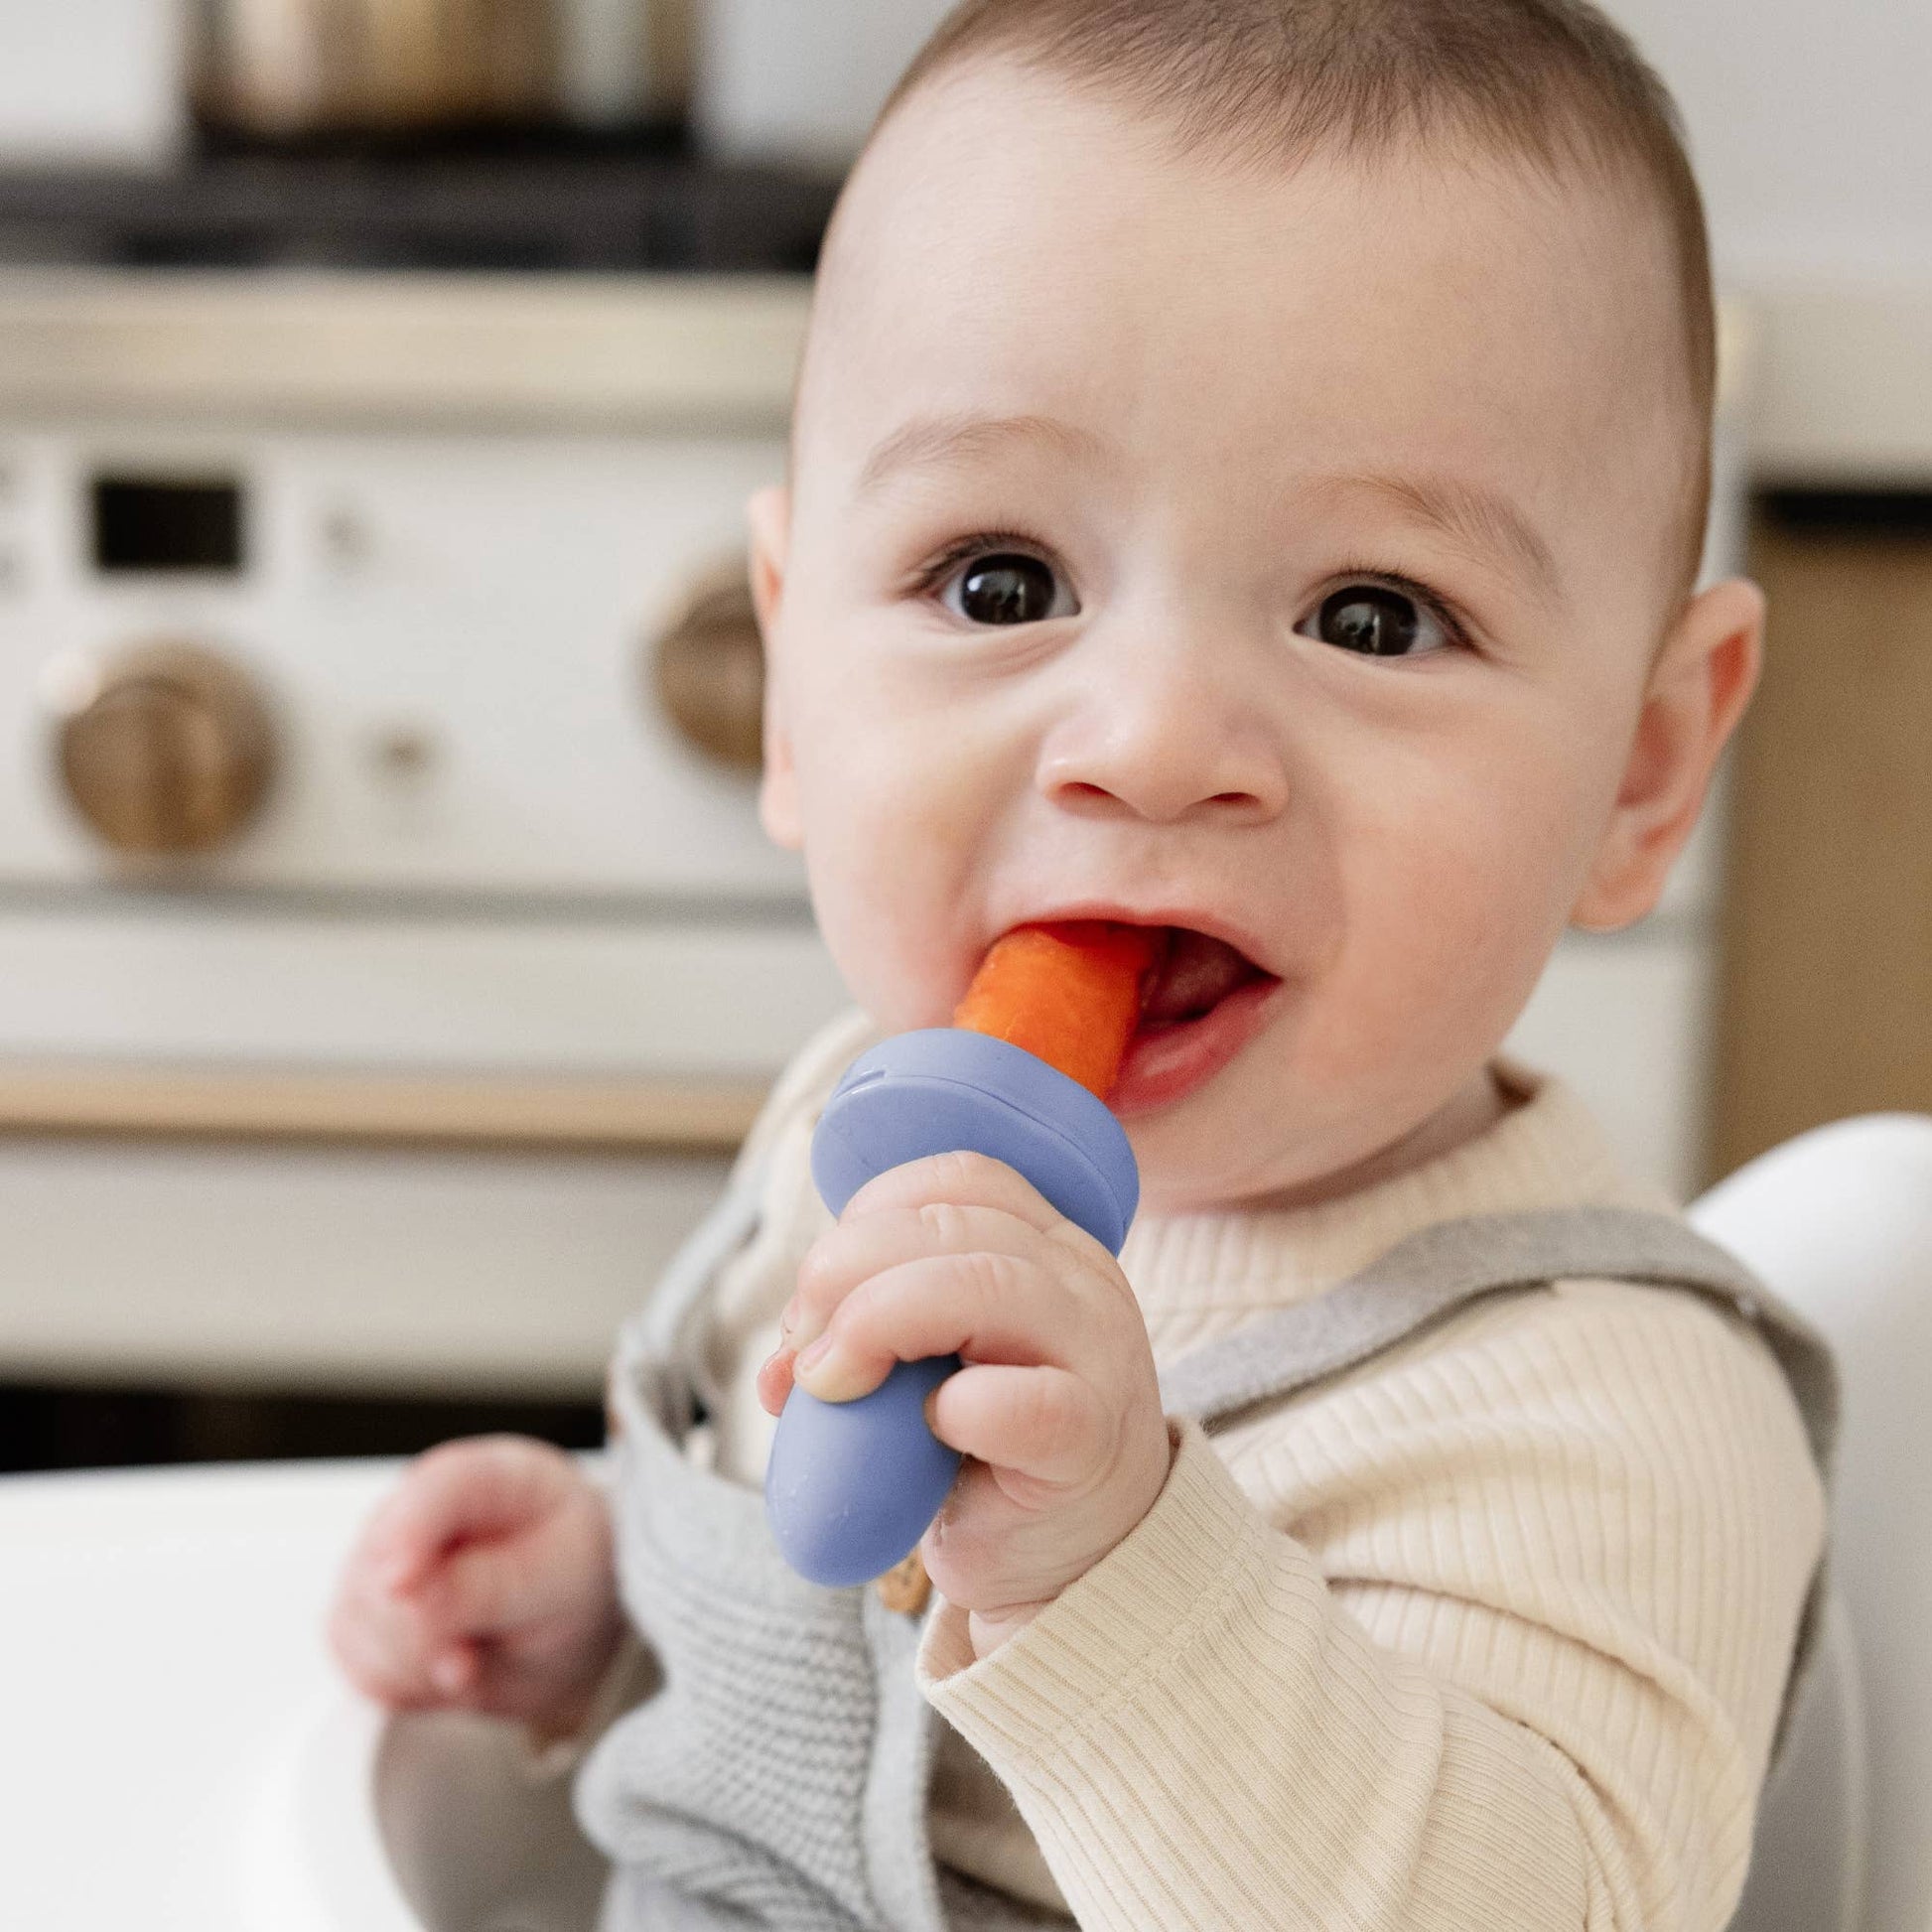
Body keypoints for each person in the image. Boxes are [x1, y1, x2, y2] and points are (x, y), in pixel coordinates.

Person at [328, 2, 1833, 1924]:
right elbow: (810, 1623)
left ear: (1641, 767)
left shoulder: (1600, 1411)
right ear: (790, 681)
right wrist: (605, 1603)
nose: (1150, 739)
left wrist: (1118, 1575)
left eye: (1372, 614)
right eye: (1001, 583)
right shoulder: (845, 1127)